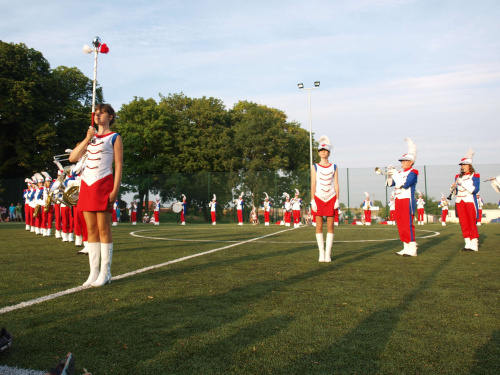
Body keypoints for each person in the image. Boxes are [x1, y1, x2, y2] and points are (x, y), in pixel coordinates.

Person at [69, 103, 123, 287]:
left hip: (103, 185)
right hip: (87, 185)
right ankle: (93, 272)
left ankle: (106, 272)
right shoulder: (90, 138)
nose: (97, 116)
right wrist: (86, 138)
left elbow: (118, 166)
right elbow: (72, 158)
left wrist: (115, 190)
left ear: (110, 117)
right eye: (96, 113)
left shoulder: (114, 138)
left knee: (103, 228)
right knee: (90, 230)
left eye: (102, 113)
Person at [386, 138, 419, 257]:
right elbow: (391, 184)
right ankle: (405, 248)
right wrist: (390, 175)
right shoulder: (400, 173)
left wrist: (395, 173)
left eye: (405, 161)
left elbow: (405, 184)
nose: (402, 162)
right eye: (402, 161)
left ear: (411, 162)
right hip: (398, 200)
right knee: (400, 224)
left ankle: (412, 248)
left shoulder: (414, 172)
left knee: (407, 223)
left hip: (407, 200)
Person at [311, 136, 339, 262]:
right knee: (318, 226)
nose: (323, 152)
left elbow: (336, 184)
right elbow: (313, 184)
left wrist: (337, 199)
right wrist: (312, 200)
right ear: (318, 152)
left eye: (325, 150)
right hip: (319, 197)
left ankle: (328, 253)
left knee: (330, 226)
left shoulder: (334, 166)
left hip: (331, 197)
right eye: (321, 150)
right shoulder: (315, 167)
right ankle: (321, 253)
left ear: (329, 152)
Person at [451, 149, 480, 251]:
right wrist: (453, 188)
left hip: (469, 201)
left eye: (464, 164)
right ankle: (467, 244)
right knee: (463, 223)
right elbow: (457, 192)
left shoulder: (475, 176)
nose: (462, 166)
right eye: (461, 165)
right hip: (460, 202)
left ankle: (474, 244)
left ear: (469, 166)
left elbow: (474, 189)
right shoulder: (457, 177)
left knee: (471, 222)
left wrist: (462, 183)